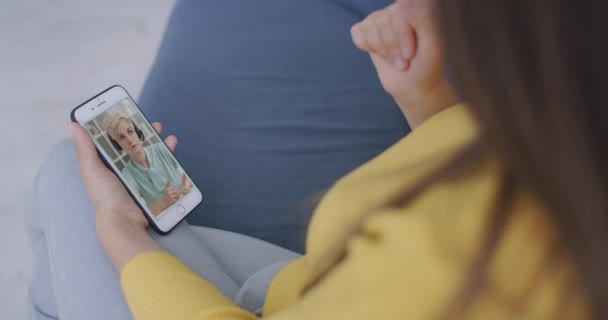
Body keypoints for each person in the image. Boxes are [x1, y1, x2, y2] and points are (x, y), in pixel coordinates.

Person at [26, 0, 606, 319]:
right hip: (297, 285)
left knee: (70, 182)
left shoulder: (470, 265)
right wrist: (427, 98)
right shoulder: (571, 142)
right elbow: (478, 179)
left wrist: (120, 229)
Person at [104, 115, 192, 215]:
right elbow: (137, 213)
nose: (129, 139)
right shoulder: (127, 175)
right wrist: (163, 202)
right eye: (121, 137)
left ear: (137, 133)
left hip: (191, 202)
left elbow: (188, 174)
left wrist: (188, 184)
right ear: (118, 146)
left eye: (130, 131)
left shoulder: (161, 149)